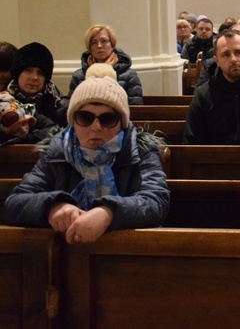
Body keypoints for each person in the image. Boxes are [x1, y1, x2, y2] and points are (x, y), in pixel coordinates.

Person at [4, 66, 170, 243]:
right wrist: (52, 207)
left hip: (126, 254)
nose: (95, 127)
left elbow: (156, 202)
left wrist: (108, 212)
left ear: (121, 123)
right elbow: (15, 202)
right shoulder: (57, 150)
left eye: (108, 119)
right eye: (85, 117)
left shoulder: (140, 151)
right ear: (73, 121)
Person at [67, 24, 143, 106]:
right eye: (94, 42)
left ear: (112, 44)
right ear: (90, 48)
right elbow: (73, 108)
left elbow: (135, 108)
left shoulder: (130, 76)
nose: (99, 46)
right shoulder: (78, 76)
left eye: (104, 41)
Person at [7, 42, 65, 125]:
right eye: (28, 70)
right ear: (17, 73)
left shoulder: (60, 107)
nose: (34, 77)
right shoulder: (3, 104)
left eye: (40, 73)